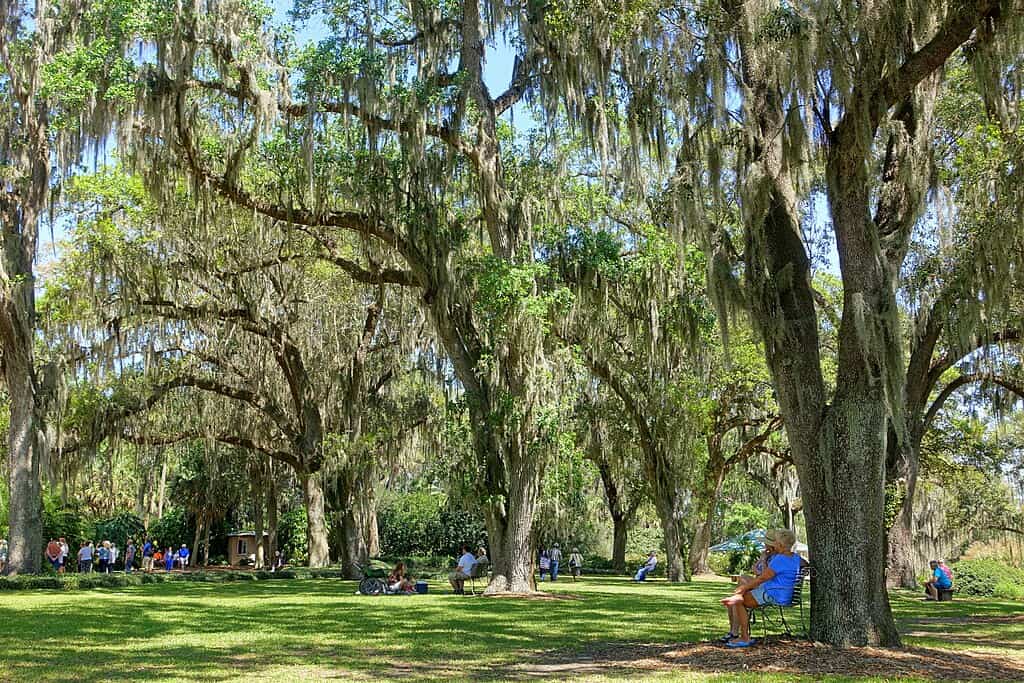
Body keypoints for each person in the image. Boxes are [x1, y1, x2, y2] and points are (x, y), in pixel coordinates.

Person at [719, 528, 803, 648]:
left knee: (740, 600)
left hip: (773, 594)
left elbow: (761, 578)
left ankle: (744, 637)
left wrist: (743, 589)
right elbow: (805, 564)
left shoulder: (779, 559)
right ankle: (733, 601)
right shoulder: (796, 558)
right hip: (785, 595)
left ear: (780, 544)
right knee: (739, 596)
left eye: (776, 543)